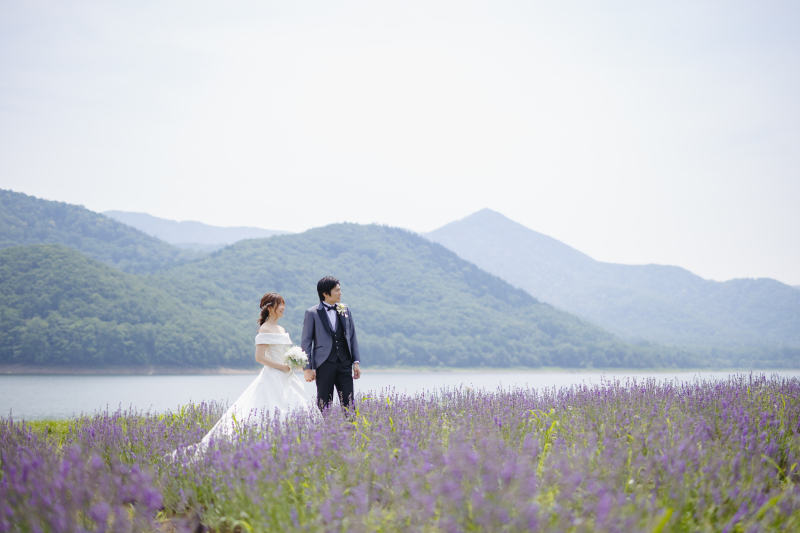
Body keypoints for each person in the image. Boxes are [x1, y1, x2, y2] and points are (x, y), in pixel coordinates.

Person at [198, 293, 313, 445]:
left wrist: (292, 361)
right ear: (270, 308)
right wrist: (281, 367)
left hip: (287, 374)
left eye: (284, 304)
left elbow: (282, 352)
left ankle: (291, 441)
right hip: (273, 374)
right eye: (280, 304)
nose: (283, 307)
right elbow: (259, 357)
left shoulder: (281, 328)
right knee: (270, 407)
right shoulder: (264, 329)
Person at [301, 276, 362, 411]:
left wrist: (356, 362)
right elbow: (306, 342)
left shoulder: (345, 309)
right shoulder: (312, 313)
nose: (340, 293)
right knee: (324, 403)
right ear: (325, 293)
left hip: (345, 363)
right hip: (324, 364)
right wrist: (307, 368)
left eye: (340, 290)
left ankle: (351, 430)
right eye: (337, 290)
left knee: (349, 404)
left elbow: (352, 336)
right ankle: (328, 430)